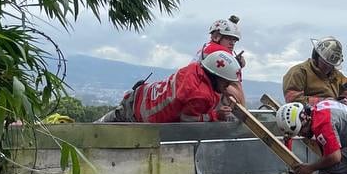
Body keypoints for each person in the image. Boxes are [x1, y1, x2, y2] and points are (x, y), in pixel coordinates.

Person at [97, 52, 245, 123]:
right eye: (226, 83)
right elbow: (188, 119)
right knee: (96, 134)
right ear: (215, 76)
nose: (227, 88)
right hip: (136, 115)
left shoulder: (193, 69)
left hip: (138, 96)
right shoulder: (200, 95)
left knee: (99, 126)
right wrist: (216, 115)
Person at [283, 36, 347, 107]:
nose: (328, 67)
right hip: (310, 114)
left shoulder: (338, 76)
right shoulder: (299, 72)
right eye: (325, 63)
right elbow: (292, 99)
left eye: (331, 65)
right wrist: (324, 102)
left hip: (337, 113)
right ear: (316, 57)